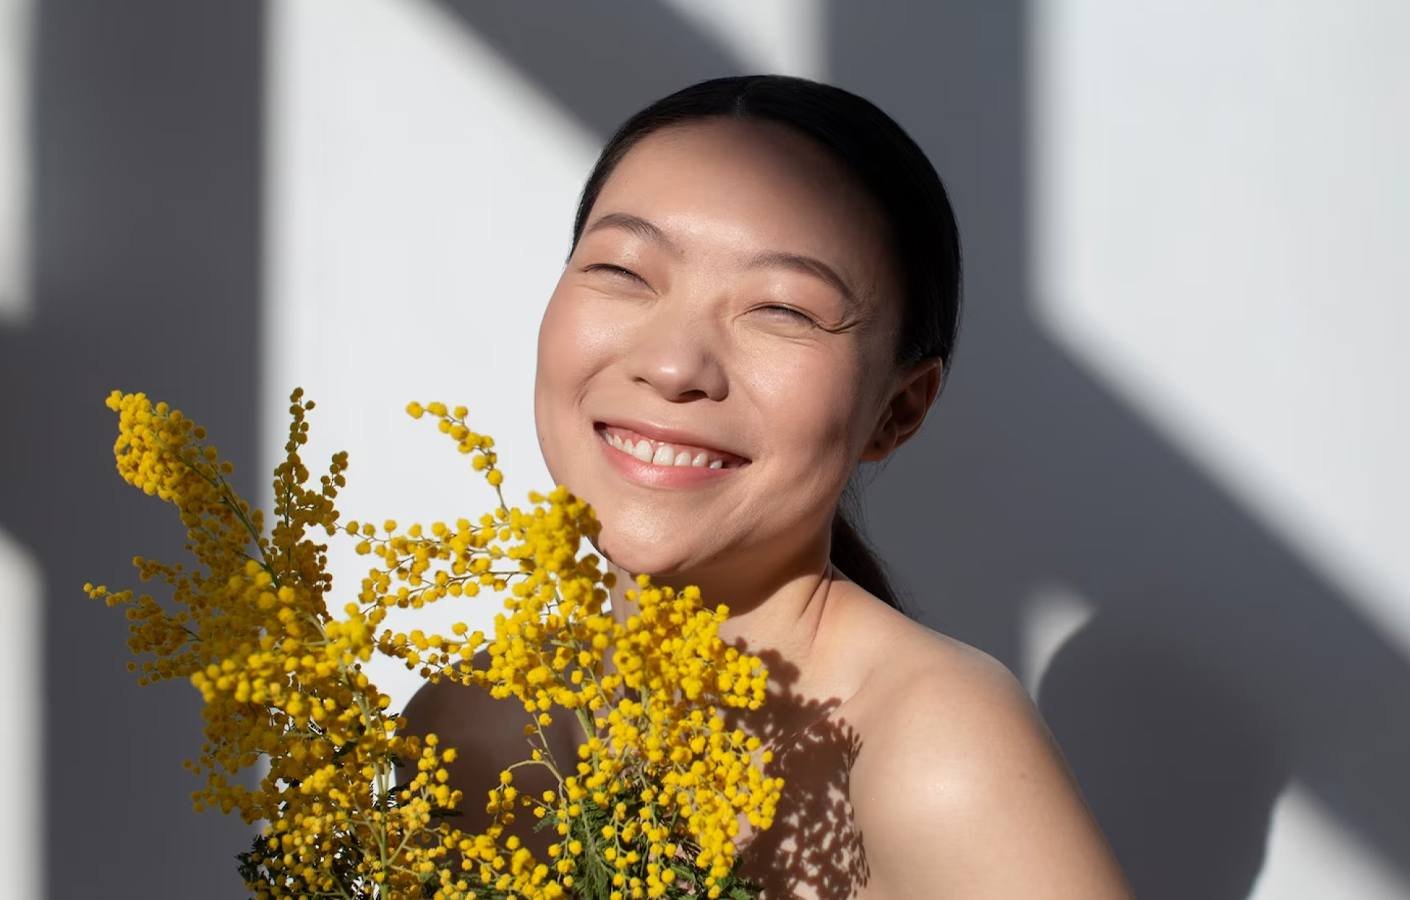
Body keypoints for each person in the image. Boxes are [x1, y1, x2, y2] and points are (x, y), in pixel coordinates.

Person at [401, 74, 1134, 898]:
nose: (672, 365)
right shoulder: (465, 726)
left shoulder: (935, 750)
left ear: (898, 409)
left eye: (783, 310)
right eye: (623, 270)